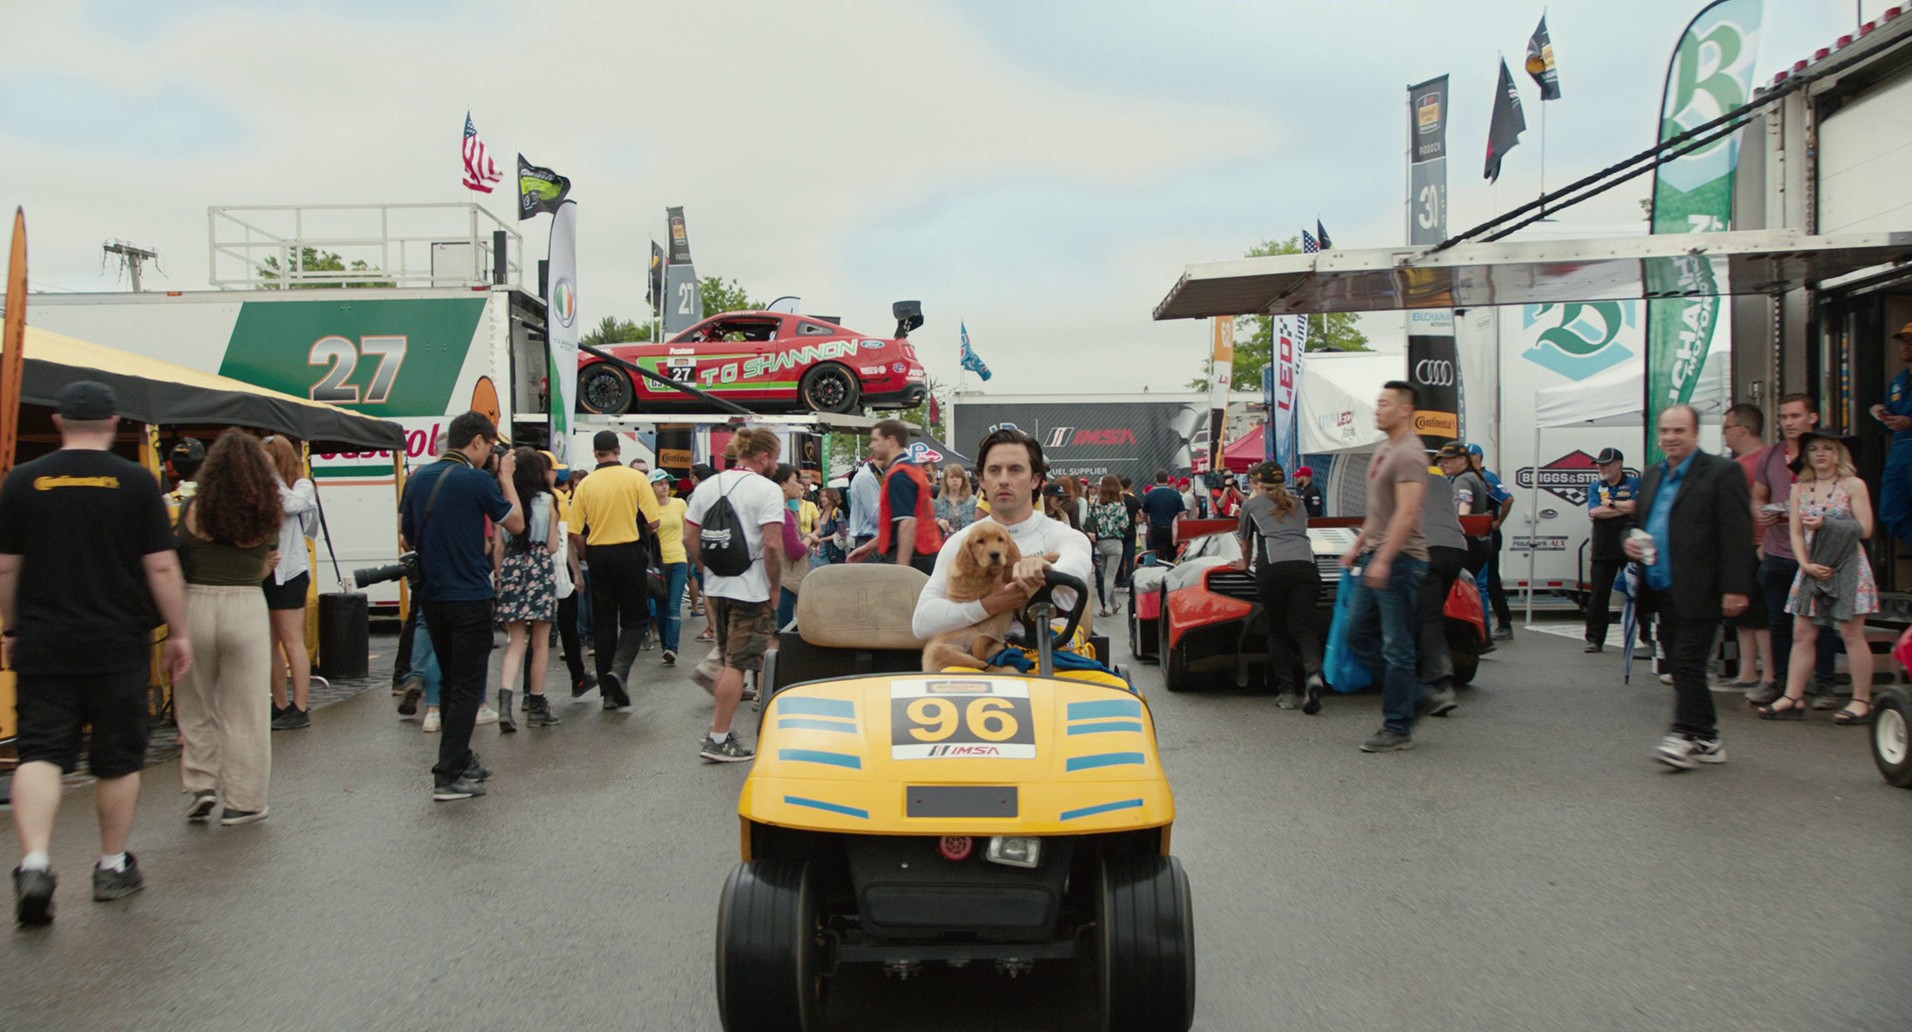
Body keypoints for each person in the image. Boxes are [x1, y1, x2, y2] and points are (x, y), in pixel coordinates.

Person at [3, 382, 192, 923]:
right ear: (113, 422)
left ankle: (35, 863)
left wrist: (13, 627)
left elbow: (6, 568)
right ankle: (111, 866)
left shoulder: (21, 482)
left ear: (60, 422)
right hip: (117, 643)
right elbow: (161, 567)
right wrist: (179, 632)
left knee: (40, 752)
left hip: (45, 642)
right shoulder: (137, 483)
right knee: (116, 757)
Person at [400, 411, 524, 802]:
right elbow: (517, 523)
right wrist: (504, 477)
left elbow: (406, 533)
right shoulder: (476, 480)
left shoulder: (418, 478)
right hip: (468, 594)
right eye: (490, 446)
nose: (491, 453)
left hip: (432, 596)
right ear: (476, 441)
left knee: (452, 680)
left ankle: (462, 758)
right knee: (469, 685)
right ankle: (448, 773)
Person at [1626, 405, 1754, 770]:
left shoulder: (1722, 473)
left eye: (1679, 431)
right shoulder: (1652, 475)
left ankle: (1683, 734)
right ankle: (1709, 737)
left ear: (1696, 434)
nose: (1670, 438)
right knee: (1682, 665)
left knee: (1687, 660)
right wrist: (1628, 541)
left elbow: (1737, 534)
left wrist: (1736, 587)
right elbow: (1636, 522)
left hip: (1703, 586)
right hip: (1661, 586)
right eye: (1665, 431)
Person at [172, 429, 282, 826]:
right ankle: (245, 801)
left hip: (196, 603)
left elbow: (176, 552)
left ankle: (202, 783)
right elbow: (266, 561)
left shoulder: (193, 508)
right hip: (246, 605)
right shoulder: (268, 511)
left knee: (196, 701)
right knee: (247, 709)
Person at [913, 427, 1095, 644]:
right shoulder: (961, 542)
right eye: (994, 471)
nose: (1003, 480)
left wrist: (1043, 570)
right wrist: (991, 604)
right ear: (982, 480)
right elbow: (922, 623)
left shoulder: (1065, 537)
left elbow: (1073, 575)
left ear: (1036, 479)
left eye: (1015, 470)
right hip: (981, 671)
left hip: (1049, 668)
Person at [1757, 432, 1879, 724]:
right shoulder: (1800, 488)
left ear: (1839, 454)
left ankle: (1861, 700)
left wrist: (1828, 524)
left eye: (1828, 448)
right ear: (1806, 455)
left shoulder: (1853, 485)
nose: (1821, 454)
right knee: (1802, 632)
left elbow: (1865, 529)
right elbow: (1796, 532)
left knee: (1851, 634)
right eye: (1814, 449)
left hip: (1848, 564)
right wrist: (1804, 563)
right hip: (1812, 564)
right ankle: (1792, 696)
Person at [685, 427, 787, 763]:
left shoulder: (707, 485)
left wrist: (707, 569)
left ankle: (720, 730)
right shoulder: (768, 490)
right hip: (751, 587)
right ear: (764, 456)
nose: (776, 463)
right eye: (775, 456)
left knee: (728, 655)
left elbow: (690, 538)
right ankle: (718, 737)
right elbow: (772, 544)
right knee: (736, 664)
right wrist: (774, 586)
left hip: (718, 586)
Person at [1338, 382, 1429, 754]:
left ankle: (1397, 726)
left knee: (1396, 646)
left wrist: (1386, 559)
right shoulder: (1384, 449)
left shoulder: (1410, 453)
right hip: (1375, 554)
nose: (1378, 409)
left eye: (1385, 404)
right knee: (1357, 635)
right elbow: (1380, 512)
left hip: (1401, 560)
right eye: (1377, 402)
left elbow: (1407, 513)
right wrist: (1358, 546)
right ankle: (1417, 695)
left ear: (1405, 409)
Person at [1749, 394, 1839, 709]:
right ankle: (1783, 684)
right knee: (1778, 622)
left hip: (1817, 553)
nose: (1788, 422)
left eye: (1795, 416)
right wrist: (1761, 513)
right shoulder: (1771, 455)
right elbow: (1758, 495)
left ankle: (1825, 685)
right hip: (1777, 551)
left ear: (1812, 418)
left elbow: (1842, 497)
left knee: (1822, 622)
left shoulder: (1825, 453)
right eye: (1784, 416)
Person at [569, 429, 661, 710]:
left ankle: (609, 693)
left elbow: (575, 532)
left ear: (596, 453)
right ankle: (620, 669)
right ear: (618, 451)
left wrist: (588, 555)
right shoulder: (635, 479)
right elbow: (654, 522)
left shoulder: (585, 485)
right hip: (629, 552)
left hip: (598, 555)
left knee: (604, 622)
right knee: (635, 618)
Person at [1234, 463, 1323, 713]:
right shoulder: (1299, 503)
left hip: (1273, 567)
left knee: (1277, 630)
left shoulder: (1251, 505)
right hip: (1306, 564)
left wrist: (1244, 563)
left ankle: (1286, 691)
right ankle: (1313, 674)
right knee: (1304, 627)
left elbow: (1245, 543)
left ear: (1258, 484)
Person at [491, 448, 562, 732]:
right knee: (541, 642)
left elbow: (497, 545)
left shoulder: (504, 501)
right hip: (540, 566)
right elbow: (554, 545)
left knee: (514, 641)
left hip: (511, 565)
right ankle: (536, 704)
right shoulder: (548, 500)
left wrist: (501, 577)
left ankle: (505, 703)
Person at [261, 435, 319, 730]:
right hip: (265, 571)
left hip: (291, 572)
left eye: (266, 458)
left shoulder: (301, 486)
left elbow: (294, 506)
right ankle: (280, 703)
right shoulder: (264, 488)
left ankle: (301, 706)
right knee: (269, 642)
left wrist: (271, 479)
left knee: (291, 639)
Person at [1416, 445, 1473, 718]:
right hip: (1455, 546)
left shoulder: (1406, 479)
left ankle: (1440, 683)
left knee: (1428, 619)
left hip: (1428, 549)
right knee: (1433, 613)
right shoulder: (1441, 481)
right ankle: (1437, 672)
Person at [1721, 404, 1774, 694]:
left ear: (1742, 429)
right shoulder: (1738, 464)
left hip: (1762, 545)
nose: (1725, 435)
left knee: (1761, 614)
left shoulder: (1766, 461)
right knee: (1743, 612)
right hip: (1742, 546)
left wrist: (1768, 541)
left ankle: (1769, 674)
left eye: (1727, 428)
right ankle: (1746, 671)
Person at [847, 420, 944, 574]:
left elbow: (907, 523)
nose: (871, 445)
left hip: (914, 557)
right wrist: (869, 547)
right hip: (922, 554)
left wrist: (901, 571)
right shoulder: (911, 469)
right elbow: (897, 525)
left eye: (875, 440)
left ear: (891, 441)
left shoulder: (900, 475)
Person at [1582, 447, 1639, 654]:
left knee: (1638, 591)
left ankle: (1646, 637)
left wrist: (1613, 504)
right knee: (1598, 595)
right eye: (1599, 464)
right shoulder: (1596, 486)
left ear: (1619, 464)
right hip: (1603, 547)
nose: (1601, 468)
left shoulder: (1633, 483)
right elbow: (1594, 511)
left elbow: (1636, 507)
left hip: (1629, 546)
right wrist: (1620, 508)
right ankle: (1594, 639)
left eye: (1605, 464)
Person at [1467, 443, 1516, 640]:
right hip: (1474, 535)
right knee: (1485, 580)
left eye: (1470, 457)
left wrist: (1498, 522)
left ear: (1478, 457)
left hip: (1487, 535)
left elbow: (1508, 499)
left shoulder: (1488, 479)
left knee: (1489, 580)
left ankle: (1502, 624)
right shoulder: (1467, 478)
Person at [1873, 323, 1912, 550]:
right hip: (1899, 453)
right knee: (1891, 512)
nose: (1904, 346)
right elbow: (1890, 412)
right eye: (1902, 341)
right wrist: (1886, 419)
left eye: (1909, 341)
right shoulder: (1899, 381)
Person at [649, 469, 690, 665]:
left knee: (674, 606)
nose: (665, 486)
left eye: (667, 483)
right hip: (658, 563)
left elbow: (688, 528)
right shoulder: (647, 508)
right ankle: (666, 647)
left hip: (678, 559)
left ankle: (672, 648)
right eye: (660, 483)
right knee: (661, 608)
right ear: (651, 488)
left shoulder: (680, 504)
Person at [770, 463, 811, 629]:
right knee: (782, 636)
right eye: (795, 480)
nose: (799, 485)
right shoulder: (782, 513)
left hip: (772, 580)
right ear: (783, 484)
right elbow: (796, 551)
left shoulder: (773, 509)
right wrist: (810, 538)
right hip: (784, 583)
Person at [1085, 474, 1132, 618]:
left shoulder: (1096, 503)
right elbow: (1125, 524)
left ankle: (1115, 604)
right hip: (1115, 543)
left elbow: (1089, 519)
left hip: (1100, 542)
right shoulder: (1119, 504)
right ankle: (1104, 606)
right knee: (1110, 577)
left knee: (1104, 576)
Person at [1141, 470, 1186, 561]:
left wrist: (1148, 523)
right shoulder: (1175, 495)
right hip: (1172, 530)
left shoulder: (1149, 496)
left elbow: (1145, 514)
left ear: (1155, 479)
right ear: (1167, 479)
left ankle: (1159, 572)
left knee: (1158, 556)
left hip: (1156, 529)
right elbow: (1182, 516)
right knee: (1172, 555)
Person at [848, 455, 882, 556]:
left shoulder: (875, 476)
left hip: (873, 541)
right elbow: (876, 517)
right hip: (869, 540)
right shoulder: (867, 477)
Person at [934, 463, 978, 537]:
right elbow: (931, 519)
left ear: (962, 480)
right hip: (946, 542)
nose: (955, 480)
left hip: (968, 540)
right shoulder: (939, 501)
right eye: (951, 477)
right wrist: (938, 521)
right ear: (946, 480)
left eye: (958, 477)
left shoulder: (973, 501)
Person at [1116, 475, 1143, 586]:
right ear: (1130, 486)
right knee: (1130, 557)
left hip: (1118, 532)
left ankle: (1119, 580)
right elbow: (1142, 515)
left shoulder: (1117, 500)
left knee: (1119, 557)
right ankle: (1129, 580)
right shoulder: (1134, 500)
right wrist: (1135, 521)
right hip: (1131, 531)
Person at [812, 487, 848, 566]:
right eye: (821, 496)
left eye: (826, 496)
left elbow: (841, 533)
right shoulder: (820, 513)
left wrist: (822, 539)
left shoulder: (837, 512)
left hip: (832, 552)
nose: (823, 499)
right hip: (819, 550)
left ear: (832, 497)